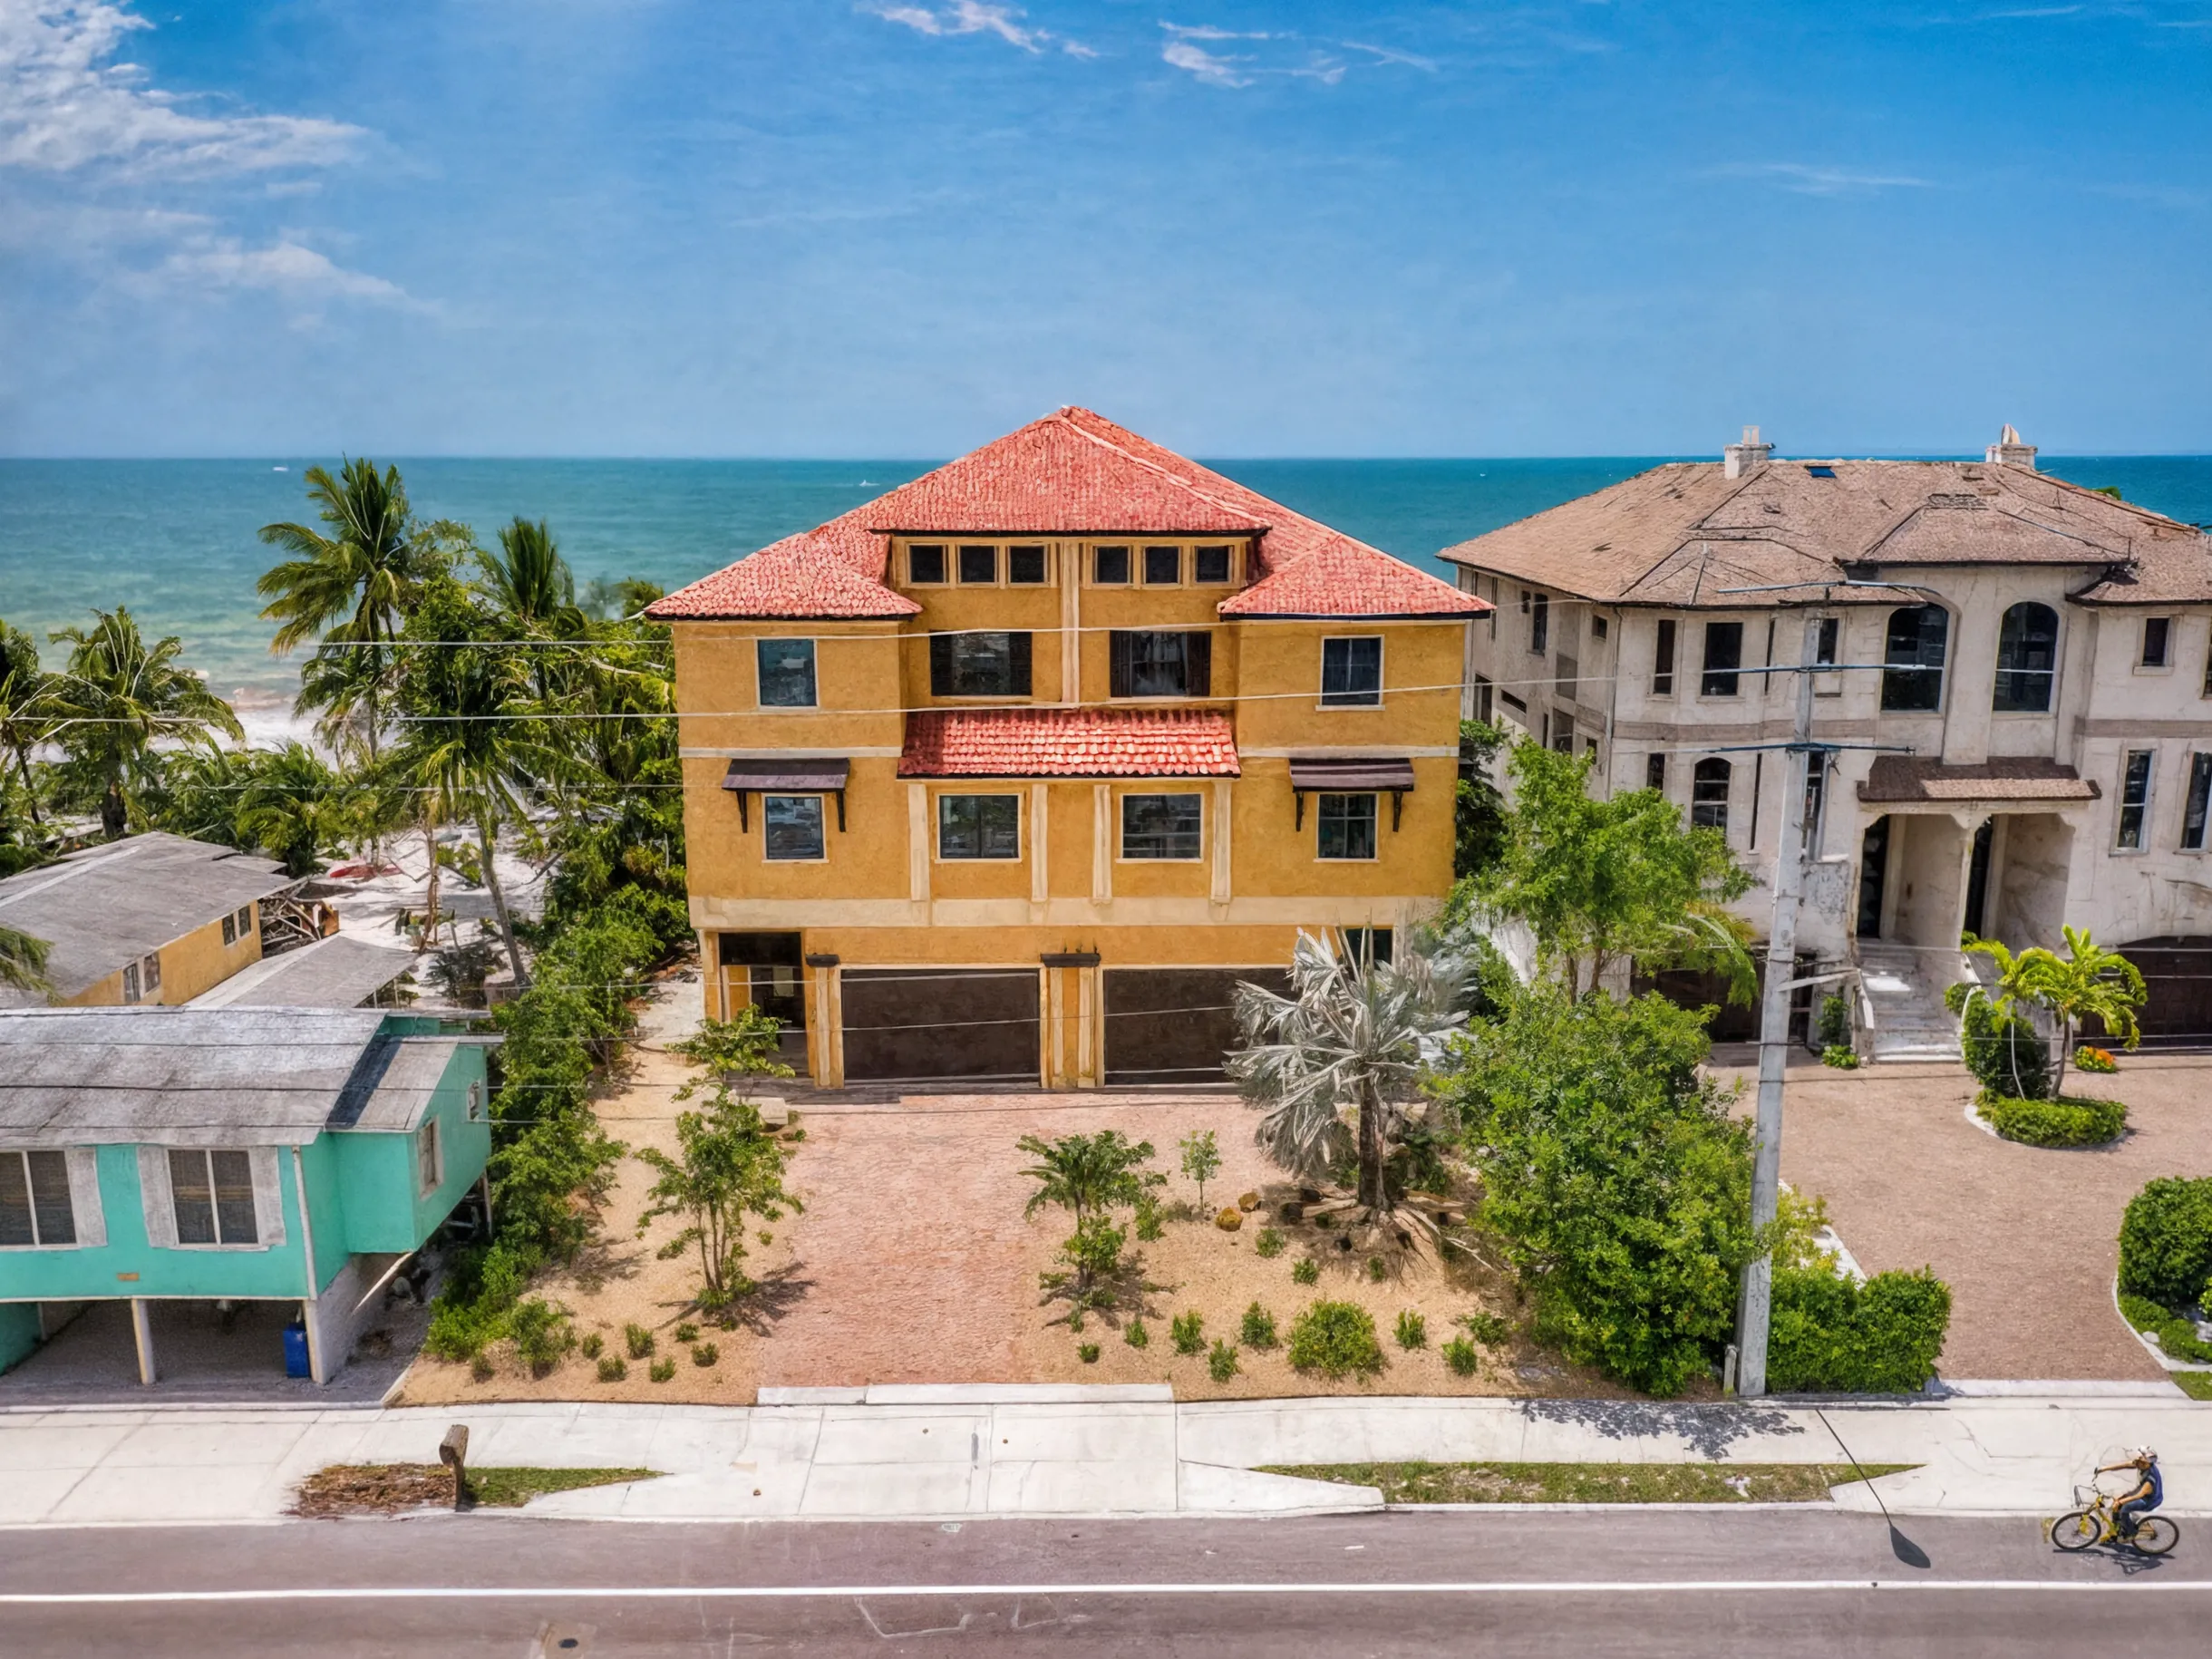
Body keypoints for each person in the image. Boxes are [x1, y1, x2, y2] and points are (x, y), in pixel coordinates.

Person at [2099, 1448, 2162, 1539]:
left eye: (2138, 1461)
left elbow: (2139, 1495)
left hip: (2150, 1501)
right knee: (2117, 1504)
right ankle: (2116, 1530)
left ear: (2145, 1463)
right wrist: (2103, 1469)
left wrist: (2121, 1502)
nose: (2136, 1463)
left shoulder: (2150, 1478)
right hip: (2144, 1494)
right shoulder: (2144, 1465)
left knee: (2124, 1508)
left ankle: (2130, 1532)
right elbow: (2125, 1465)